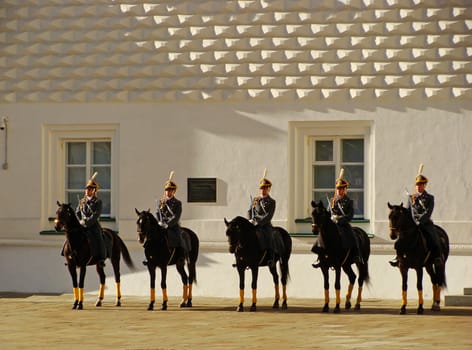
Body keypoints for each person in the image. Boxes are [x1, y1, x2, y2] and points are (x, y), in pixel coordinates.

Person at [390, 166, 442, 267]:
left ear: (424, 185)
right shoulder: (411, 197)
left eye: (420, 184)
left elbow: (428, 212)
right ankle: (398, 257)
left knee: (433, 238)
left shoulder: (430, 198)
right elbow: (408, 211)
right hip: (413, 223)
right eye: (417, 185)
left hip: (425, 223)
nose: (418, 186)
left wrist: (420, 221)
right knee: (400, 240)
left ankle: (437, 257)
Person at [313, 169, 362, 268]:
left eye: (341, 189)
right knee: (321, 235)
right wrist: (330, 217)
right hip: (332, 223)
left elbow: (350, 215)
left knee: (353, 236)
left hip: (343, 224)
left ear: (345, 190)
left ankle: (357, 255)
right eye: (338, 189)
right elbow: (328, 212)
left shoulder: (349, 201)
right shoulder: (333, 200)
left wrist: (339, 219)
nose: (339, 191)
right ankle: (320, 256)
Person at [76, 173, 106, 267]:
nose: (87, 191)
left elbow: (96, 215)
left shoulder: (98, 202)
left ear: (93, 191)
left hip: (93, 225)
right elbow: (77, 212)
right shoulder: (82, 201)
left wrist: (87, 223)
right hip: (82, 224)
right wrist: (81, 221)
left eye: (89, 189)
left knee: (99, 237)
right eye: (86, 189)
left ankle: (101, 258)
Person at [248, 170, 276, 267]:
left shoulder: (272, 201)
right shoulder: (256, 200)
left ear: (268, 189)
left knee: (270, 238)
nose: (262, 190)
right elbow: (249, 211)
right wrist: (250, 220)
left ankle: (270, 258)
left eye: (264, 188)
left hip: (265, 225)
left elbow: (269, 216)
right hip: (253, 223)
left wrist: (259, 222)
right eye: (261, 188)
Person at [156, 171, 185, 252]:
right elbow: (157, 213)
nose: (168, 192)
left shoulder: (177, 203)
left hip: (172, 226)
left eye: (170, 190)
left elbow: (176, 217)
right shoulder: (161, 202)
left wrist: (167, 225)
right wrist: (159, 222)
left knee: (179, 237)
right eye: (166, 190)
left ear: (173, 191)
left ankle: (180, 255)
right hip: (161, 225)